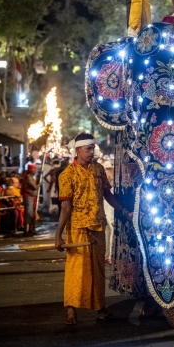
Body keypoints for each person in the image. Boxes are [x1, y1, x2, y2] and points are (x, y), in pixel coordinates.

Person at [54, 133, 130, 325]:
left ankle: (101, 308)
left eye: (93, 148)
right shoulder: (67, 175)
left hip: (98, 226)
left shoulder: (98, 169)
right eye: (88, 149)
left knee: (97, 270)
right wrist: (58, 235)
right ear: (78, 150)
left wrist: (123, 210)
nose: (92, 152)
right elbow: (66, 207)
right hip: (77, 228)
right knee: (75, 270)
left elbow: (107, 195)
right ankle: (71, 310)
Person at [21, 165, 39, 236]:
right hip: (28, 197)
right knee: (28, 214)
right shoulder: (28, 177)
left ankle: (32, 229)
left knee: (32, 214)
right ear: (32, 170)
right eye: (34, 170)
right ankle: (26, 230)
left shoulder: (32, 177)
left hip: (32, 197)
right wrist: (39, 185)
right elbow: (34, 187)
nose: (35, 171)